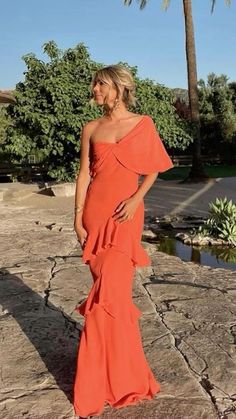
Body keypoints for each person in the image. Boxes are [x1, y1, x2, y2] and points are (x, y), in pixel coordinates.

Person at [73, 64, 173, 418]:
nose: (94, 89)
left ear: (118, 88)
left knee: (108, 300)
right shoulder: (91, 128)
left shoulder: (142, 124)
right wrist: (77, 216)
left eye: (100, 83)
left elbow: (155, 168)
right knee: (107, 295)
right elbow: (84, 173)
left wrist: (135, 199)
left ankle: (101, 381)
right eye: (94, 84)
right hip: (95, 216)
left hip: (125, 217)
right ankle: (122, 374)